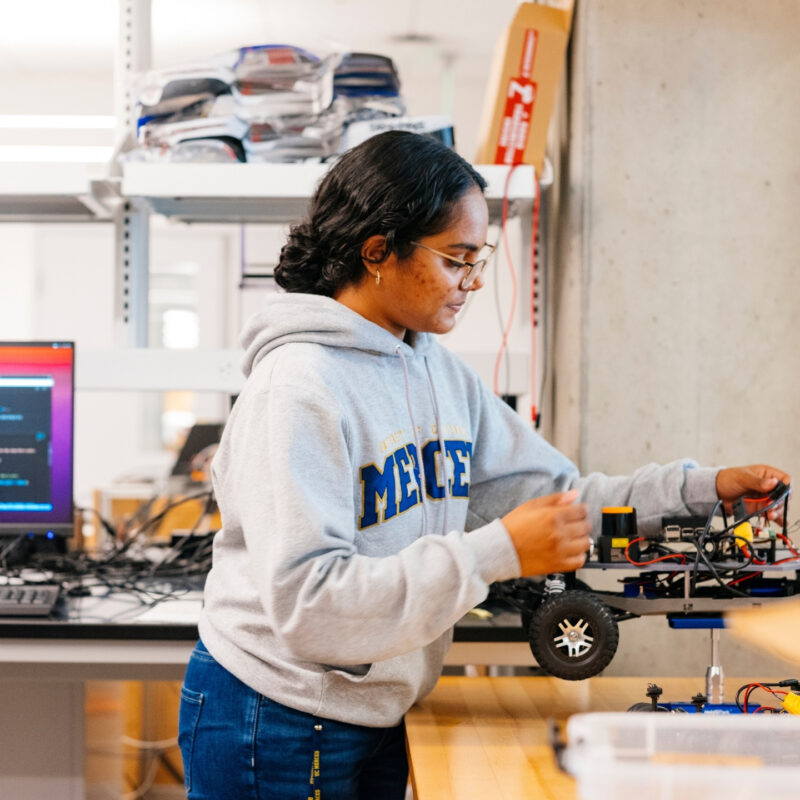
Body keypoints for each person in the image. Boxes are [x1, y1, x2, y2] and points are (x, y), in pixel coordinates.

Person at [177, 130, 791, 800]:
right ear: (377, 251)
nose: (471, 283)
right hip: (276, 713)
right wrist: (498, 552)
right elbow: (311, 606)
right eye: (455, 260)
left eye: (479, 260)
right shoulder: (298, 389)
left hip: (376, 704)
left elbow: (558, 497)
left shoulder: (438, 371)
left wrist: (701, 491)